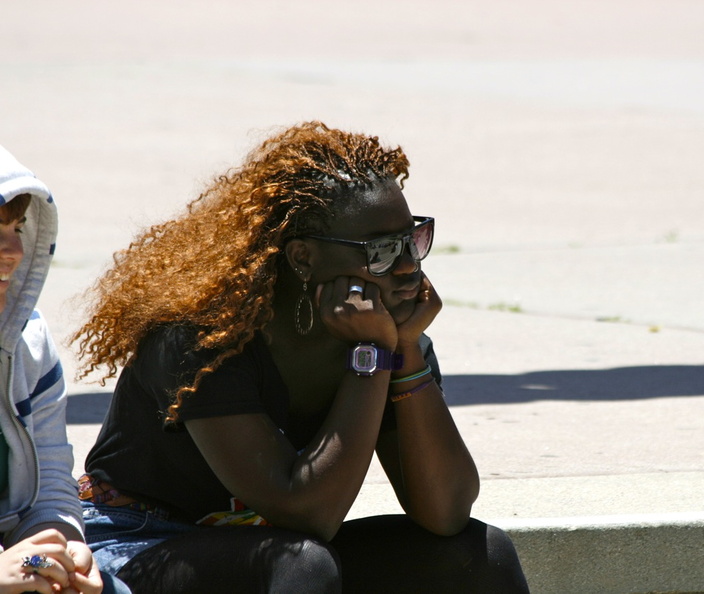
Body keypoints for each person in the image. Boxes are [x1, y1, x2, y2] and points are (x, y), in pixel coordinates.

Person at [72, 121, 530, 593]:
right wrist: (372, 357)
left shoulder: (387, 338)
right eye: (380, 251)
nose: (409, 267)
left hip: (277, 548)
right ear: (303, 258)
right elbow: (308, 514)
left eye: (412, 240)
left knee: (482, 554)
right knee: (303, 563)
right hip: (141, 543)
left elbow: (446, 512)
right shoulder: (204, 339)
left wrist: (406, 351)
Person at [0, 146, 116, 593]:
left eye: (18, 227)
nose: (14, 251)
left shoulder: (27, 339)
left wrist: (63, 548)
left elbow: (49, 479)